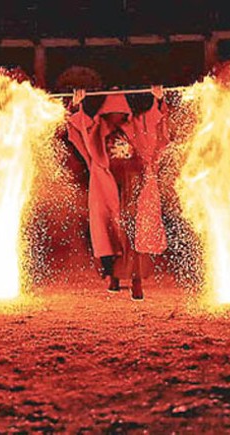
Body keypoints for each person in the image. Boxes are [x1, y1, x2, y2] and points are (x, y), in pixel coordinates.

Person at [66, 87, 168, 300]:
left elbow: (155, 124)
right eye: (112, 116)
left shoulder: (136, 125)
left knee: (134, 233)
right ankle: (114, 277)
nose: (116, 120)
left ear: (126, 114)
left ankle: (136, 281)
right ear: (105, 115)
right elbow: (78, 126)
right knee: (110, 232)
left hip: (134, 185)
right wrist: (76, 104)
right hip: (107, 184)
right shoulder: (98, 128)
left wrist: (158, 99)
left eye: (120, 116)